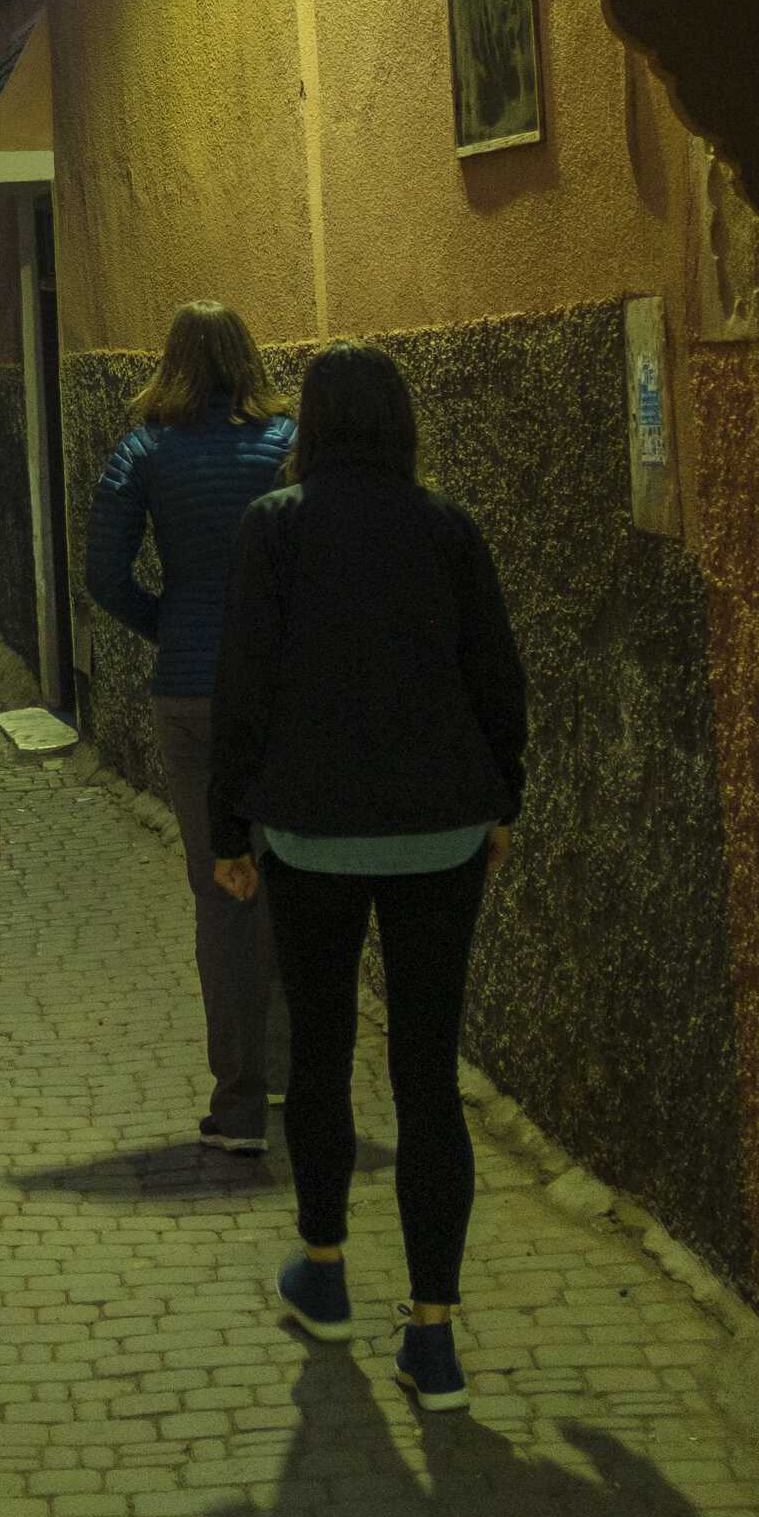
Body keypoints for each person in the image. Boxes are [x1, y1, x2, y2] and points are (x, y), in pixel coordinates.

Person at [208, 342, 526, 1413]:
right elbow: (496, 671)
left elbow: (242, 682)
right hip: (442, 828)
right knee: (429, 1076)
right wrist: (503, 798)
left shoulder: (278, 524)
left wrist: (229, 827)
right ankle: (432, 1339)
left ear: (310, 420)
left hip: (314, 833)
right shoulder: (447, 527)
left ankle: (326, 1268)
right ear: (399, 422)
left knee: (327, 1052)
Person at [86, 301, 295, 1156]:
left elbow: (104, 574)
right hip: (279, 694)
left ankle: (238, 1103)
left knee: (222, 889)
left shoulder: (142, 450)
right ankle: (291, 1076)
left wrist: (170, 622)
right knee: (286, 879)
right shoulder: (284, 443)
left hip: (190, 695)